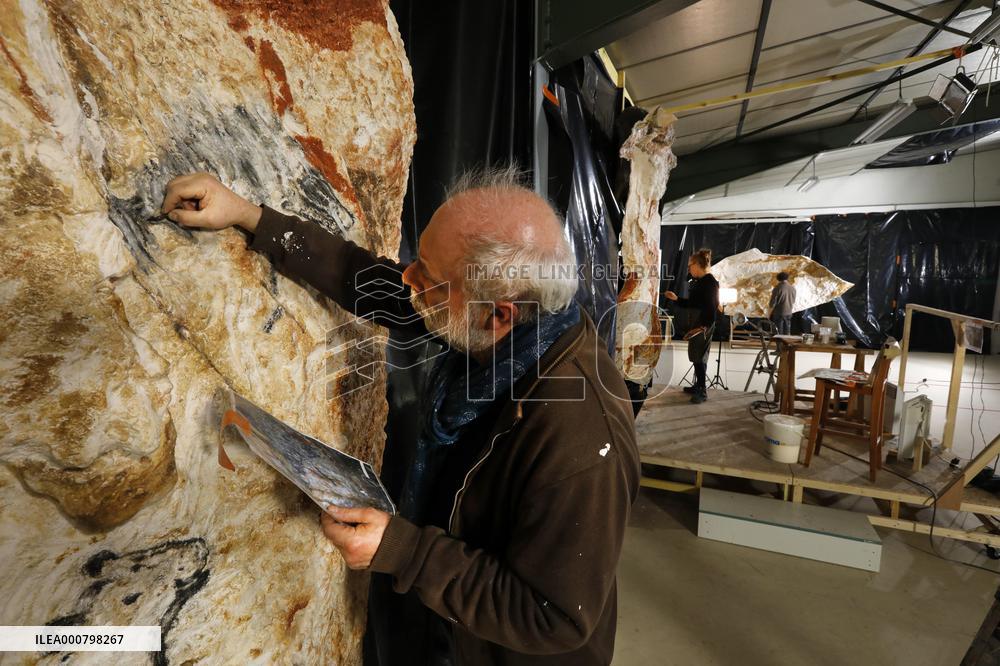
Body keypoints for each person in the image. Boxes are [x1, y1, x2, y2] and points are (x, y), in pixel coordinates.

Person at [160, 168, 641, 666]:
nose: (408, 281)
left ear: (498, 314)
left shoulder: (581, 435)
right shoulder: (502, 321)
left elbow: (552, 616)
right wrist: (245, 214)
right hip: (442, 632)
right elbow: (368, 279)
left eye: (426, 278)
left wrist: (404, 551)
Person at [663, 249, 719, 404]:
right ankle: (698, 386)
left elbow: (713, 306)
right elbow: (692, 304)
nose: (688, 269)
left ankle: (702, 391)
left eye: (690, 265)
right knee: (696, 356)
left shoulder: (709, 282)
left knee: (699, 357)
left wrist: (704, 327)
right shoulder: (701, 282)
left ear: (698, 264)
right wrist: (676, 298)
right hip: (700, 322)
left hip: (703, 324)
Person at [768, 271, 796, 336]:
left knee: (779, 332)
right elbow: (793, 301)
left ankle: (779, 346)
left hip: (779, 313)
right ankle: (786, 345)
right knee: (787, 331)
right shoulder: (793, 288)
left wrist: (769, 312)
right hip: (789, 312)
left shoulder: (777, 288)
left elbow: (772, 303)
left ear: (778, 279)